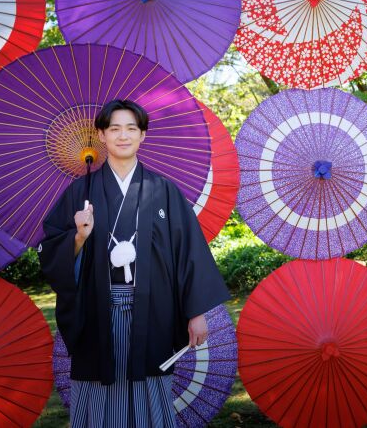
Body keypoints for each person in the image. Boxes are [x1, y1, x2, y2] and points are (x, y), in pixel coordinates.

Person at [38, 99, 230, 427]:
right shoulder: (79, 192)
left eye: (131, 128)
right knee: (99, 386)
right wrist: (79, 236)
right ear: (101, 135)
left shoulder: (164, 190)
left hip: (153, 308)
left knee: (150, 387)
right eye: (114, 129)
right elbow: (51, 250)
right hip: (97, 308)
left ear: (143, 135)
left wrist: (196, 313)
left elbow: (189, 252)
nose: (122, 136)